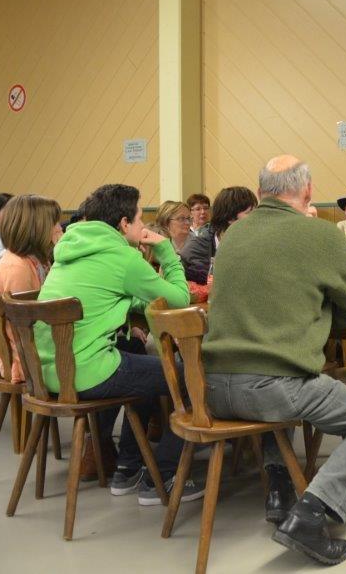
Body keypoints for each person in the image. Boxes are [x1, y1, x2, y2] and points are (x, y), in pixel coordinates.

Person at [203, 155, 346, 566]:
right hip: (274, 388)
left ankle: (279, 487)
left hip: (210, 389)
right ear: (307, 191)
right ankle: (310, 514)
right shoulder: (320, 236)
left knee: (278, 396)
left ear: (260, 192)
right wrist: (323, 313)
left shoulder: (233, 235)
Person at [36, 184, 202, 505]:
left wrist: (135, 303)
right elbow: (179, 299)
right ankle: (164, 476)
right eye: (140, 220)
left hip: (50, 372)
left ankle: (128, 466)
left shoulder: (69, 248)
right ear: (124, 224)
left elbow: (100, 295)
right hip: (88, 372)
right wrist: (167, 252)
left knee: (141, 362)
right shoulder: (122, 257)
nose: (142, 227)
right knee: (193, 378)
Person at [0, 195, 63, 383]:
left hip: (34, 350)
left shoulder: (36, 260)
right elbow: (27, 327)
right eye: (54, 222)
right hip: (24, 362)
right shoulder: (17, 268)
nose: (60, 228)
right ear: (36, 229)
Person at [180, 186, 256, 284]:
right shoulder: (196, 249)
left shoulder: (255, 242)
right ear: (230, 218)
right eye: (249, 213)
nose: (256, 218)